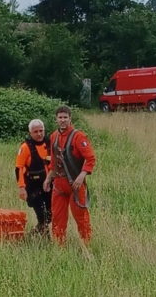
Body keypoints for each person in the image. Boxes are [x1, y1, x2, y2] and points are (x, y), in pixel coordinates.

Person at [43, 105, 96, 246]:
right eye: (60, 118)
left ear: (70, 119)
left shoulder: (79, 136)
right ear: (56, 119)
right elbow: (53, 161)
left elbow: (90, 158)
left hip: (75, 184)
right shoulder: (54, 136)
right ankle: (59, 247)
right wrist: (48, 178)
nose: (63, 120)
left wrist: (82, 176)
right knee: (58, 217)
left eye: (65, 117)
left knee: (81, 217)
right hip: (59, 184)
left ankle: (87, 245)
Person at [15, 119, 52, 237]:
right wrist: (21, 188)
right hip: (33, 189)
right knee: (42, 216)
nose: (39, 134)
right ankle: (40, 238)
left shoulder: (50, 143)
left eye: (41, 131)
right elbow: (18, 168)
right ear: (30, 133)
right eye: (35, 131)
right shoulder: (26, 147)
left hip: (50, 186)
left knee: (51, 215)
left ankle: (35, 235)